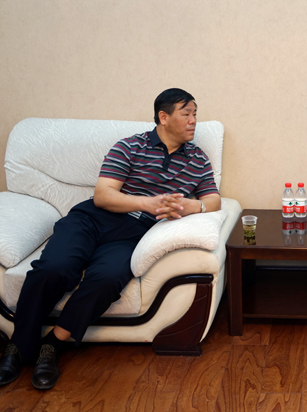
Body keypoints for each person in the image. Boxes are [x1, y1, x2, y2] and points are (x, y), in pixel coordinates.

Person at [0, 88, 221, 390]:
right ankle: (18, 348)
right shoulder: (130, 146)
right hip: (92, 220)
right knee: (54, 268)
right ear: (164, 117)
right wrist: (148, 203)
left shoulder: (197, 158)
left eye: (195, 114)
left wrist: (192, 206)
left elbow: (214, 200)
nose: (194, 120)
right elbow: (103, 196)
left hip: (134, 233)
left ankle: (52, 345)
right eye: (187, 114)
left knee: (107, 279)